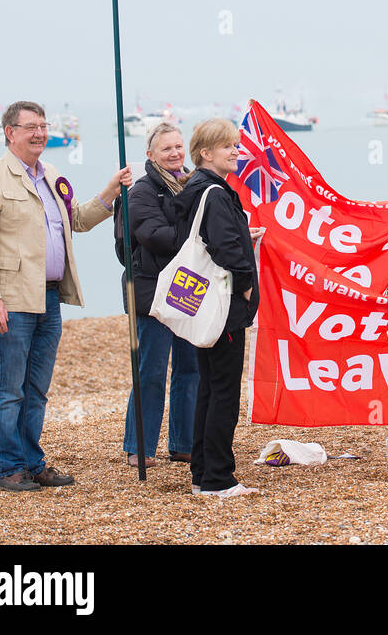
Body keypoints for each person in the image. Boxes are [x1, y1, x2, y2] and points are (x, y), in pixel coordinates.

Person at [0, 100, 132, 492]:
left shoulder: (50, 173)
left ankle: (32, 462)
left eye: (43, 125)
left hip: (51, 298)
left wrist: (110, 192)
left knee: (37, 388)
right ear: (10, 133)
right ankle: (8, 468)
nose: (39, 133)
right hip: (13, 300)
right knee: (10, 388)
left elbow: (75, 220)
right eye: (30, 127)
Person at [171, 118, 260, 499]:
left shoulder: (194, 189)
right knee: (223, 390)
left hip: (202, 305)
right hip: (222, 306)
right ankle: (219, 478)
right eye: (228, 147)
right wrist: (244, 287)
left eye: (236, 145)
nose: (236, 152)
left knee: (209, 387)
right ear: (206, 153)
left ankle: (202, 473)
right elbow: (226, 249)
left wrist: (243, 233)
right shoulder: (216, 193)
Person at [119, 122, 200, 468]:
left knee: (190, 368)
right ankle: (139, 446)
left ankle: (183, 443)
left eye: (179, 146)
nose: (175, 153)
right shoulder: (141, 191)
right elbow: (155, 235)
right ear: (150, 155)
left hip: (186, 288)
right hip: (152, 291)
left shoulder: (193, 185)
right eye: (167, 148)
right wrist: (199, 238)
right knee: (151, 371)